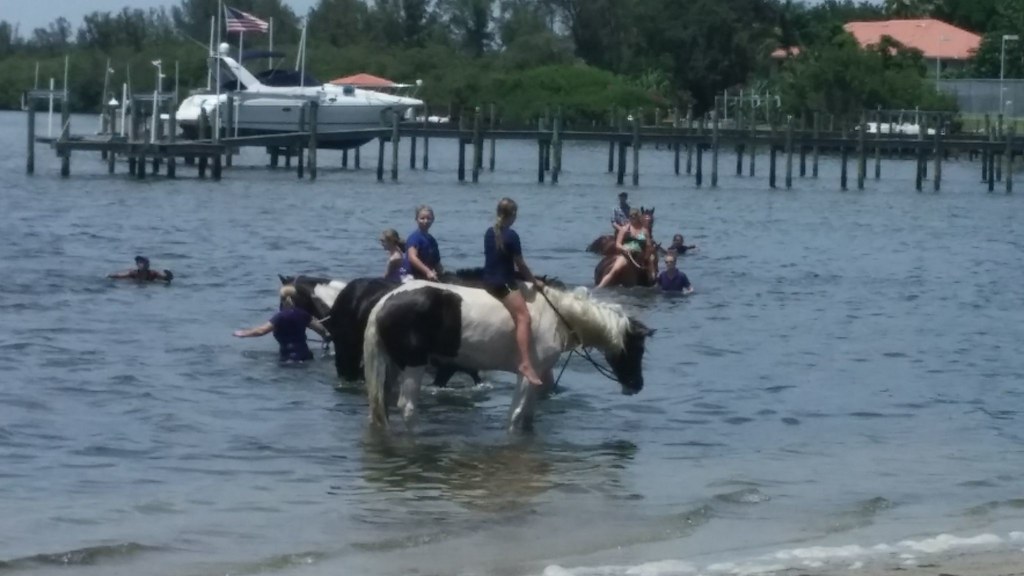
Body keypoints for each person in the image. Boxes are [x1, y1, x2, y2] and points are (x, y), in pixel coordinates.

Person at [482, 197, 545, 387]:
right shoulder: (512, 236)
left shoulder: (489, 232)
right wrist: (535, 282)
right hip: (503, 283)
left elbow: (499, 261)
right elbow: (521, 264)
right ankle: (525, 363)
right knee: (524, 317)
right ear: (513, 214)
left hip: (487, 279)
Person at [233, 285, 330, 362]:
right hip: (307, 356)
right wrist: (326, 340)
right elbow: (322, 330)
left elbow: (261, 331)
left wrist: (243, 333)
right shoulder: (304, 315)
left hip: (288, 359)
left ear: (282, 300)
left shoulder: (280, 317)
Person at [597, 209, 653, 288]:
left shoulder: (644, 231)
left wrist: (647, 256)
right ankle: (600, 287)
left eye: (634, 217)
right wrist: (624, 249)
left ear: (638, 217)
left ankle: (653, 282)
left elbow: (648, 245)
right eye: (631, 217)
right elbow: (618, 244)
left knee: (652, 265)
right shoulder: (625, 229)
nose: (632, 219)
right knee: (615, 269)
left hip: (640, 255)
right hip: (626, 256)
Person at [406, 205, 443, 281]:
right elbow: (412, 257)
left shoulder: (432, 240)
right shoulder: (414, 238)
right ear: (416, 219)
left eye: (428, 218)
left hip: (428, 276)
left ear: (433, 219)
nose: (425, 221)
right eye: (422, 218)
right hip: (413, 276)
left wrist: (442, 274)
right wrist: (428, 272)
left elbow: (437, 263)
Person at [108, 256, 173, 282]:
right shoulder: (133, 273)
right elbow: (120, 276)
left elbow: (166, 278)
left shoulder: (153, 273)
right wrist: (111, 276)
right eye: (138, 262)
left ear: (147, 264)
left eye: (142, 262)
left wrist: (168, 275)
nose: (139, 264)